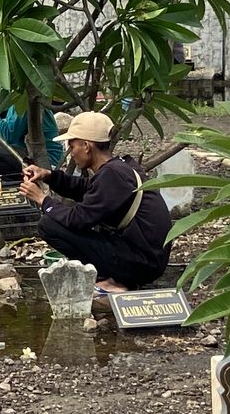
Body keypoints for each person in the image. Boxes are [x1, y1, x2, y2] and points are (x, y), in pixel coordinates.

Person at [18, 111, 171, 294]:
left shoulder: (112, 175)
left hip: (141, 264)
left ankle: (113, 281)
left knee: (49, 224)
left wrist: (43, 200)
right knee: (58, 220)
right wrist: (48, 175)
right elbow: (85, 188)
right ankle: (114, 277)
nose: (71, 152)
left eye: (72, 146)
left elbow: (77, 219)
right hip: (145, 257)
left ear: (87, 146)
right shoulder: (120, 168)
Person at [0, 106, 64, 177]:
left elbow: (9, 134)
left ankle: (18, 181)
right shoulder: (19, 103)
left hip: (46, 162)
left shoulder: (22, 104)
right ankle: (16, 181)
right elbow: (6, 131)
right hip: (33, 155)